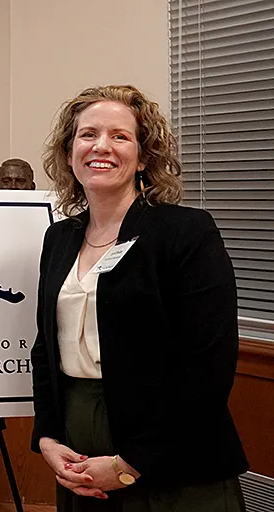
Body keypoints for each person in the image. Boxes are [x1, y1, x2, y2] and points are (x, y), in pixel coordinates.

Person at [30, 84, 247, 511]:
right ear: (70, 151)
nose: (101, 147)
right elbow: (45, 347)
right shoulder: (59, 237)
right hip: (78, 441)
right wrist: (47, 436)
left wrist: (133, 462)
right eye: (87, 134)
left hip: (171, 446)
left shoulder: (185, 232)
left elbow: (208, 366)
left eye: (120, 136)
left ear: (143, 157)